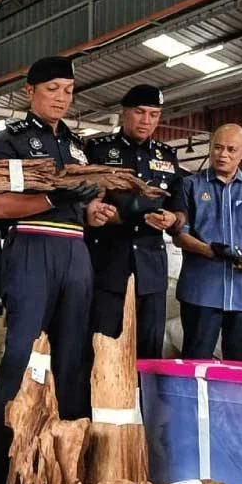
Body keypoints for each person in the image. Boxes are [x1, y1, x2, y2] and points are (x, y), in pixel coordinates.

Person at [0, 55, 114, 484]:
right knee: (22, 359)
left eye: (68, 90)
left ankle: (68, 466)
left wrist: (94, 211)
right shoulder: (9, 141)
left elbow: (79, 209)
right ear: (30, 92)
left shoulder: (78, 147)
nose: (61, 97)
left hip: (76, 252)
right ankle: (8, 468)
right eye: (52, 89)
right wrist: (54, 196)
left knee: (74, 361)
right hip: (32, 250)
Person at [85, 84, 184, 358]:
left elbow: (179, 203)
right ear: (124, 113)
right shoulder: (97, 149)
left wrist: (172, 217)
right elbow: (85, 201)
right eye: (140, 113)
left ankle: (145, 401)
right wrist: (112, 213)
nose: (146, 121)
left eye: (154, 115)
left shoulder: (166, 155)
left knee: (149, 348)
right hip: (109, 262)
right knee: (105, 347)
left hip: (151, 267)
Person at [174, 124, 242, 361]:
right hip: (201, 292)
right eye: (218, 148)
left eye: (231, 149)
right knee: (196, 362)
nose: (223, 154)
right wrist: (211, 251)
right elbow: (179, 236)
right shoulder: (190, 186)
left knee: (241, 367)